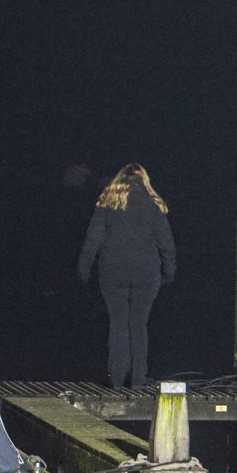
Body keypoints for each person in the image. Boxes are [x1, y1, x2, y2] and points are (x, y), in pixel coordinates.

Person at [77, 163, 176, 389]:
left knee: (118, 324)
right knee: (139, 325)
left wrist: (84, 269)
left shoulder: (106, 205)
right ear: (145, 181)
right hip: (146, 273)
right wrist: (169, 272)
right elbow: (166, 244)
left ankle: (117, 379)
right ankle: (139, 379)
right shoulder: (153, 206)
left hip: (112, 272)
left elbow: (92, 241)